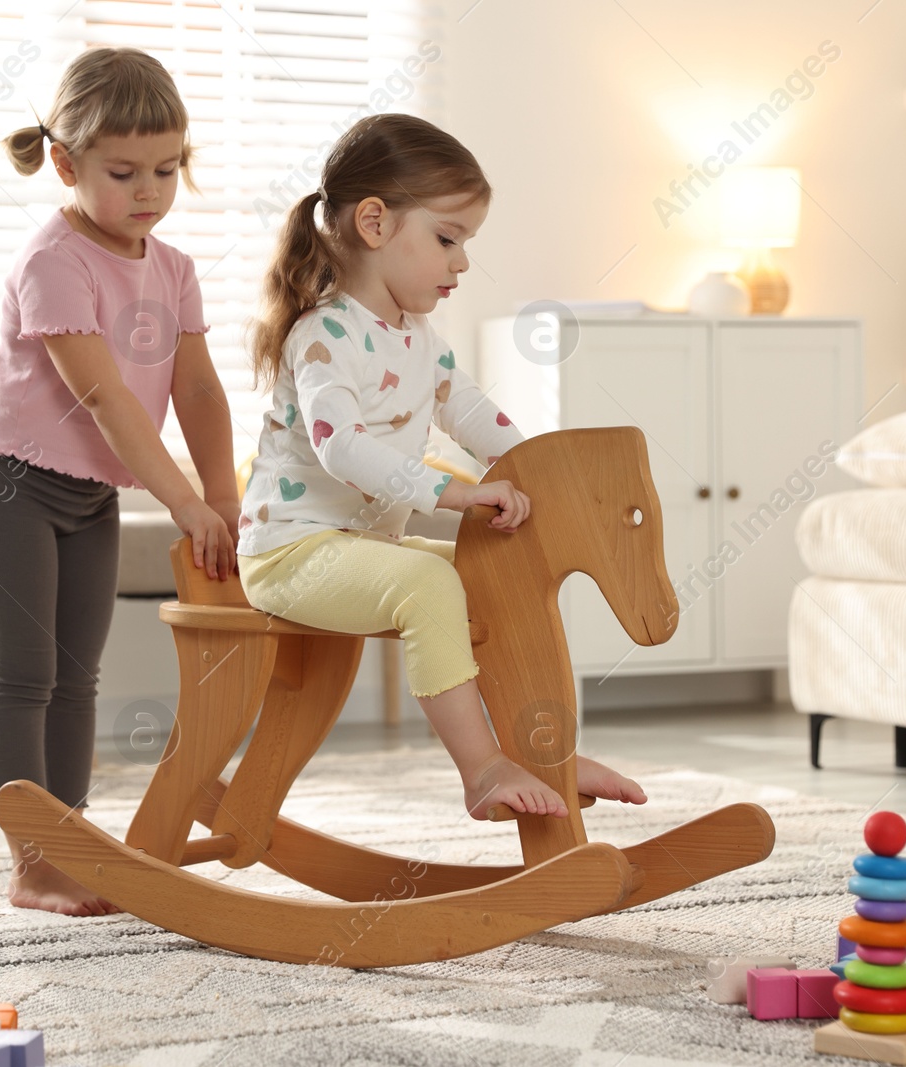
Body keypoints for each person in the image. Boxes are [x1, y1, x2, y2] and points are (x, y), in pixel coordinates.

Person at [237, 114, 647, 820]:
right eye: (448, 240)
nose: (461, 263)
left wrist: (537, 469)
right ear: (374, 223)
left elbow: (470, 409)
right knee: (430, 580)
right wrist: (453, 493)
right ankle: (482, 767)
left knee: (502, 571)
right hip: (290, 553)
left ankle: (544, 744)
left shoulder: (417, 336)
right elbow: (343, 446)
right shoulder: (324, 335)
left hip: (365, 549)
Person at [0, 47, 238, 917]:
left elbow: (195, 386)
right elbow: (107, 398)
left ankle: (72, 839)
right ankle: (33, 860)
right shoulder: (54, 261)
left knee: (80, 675)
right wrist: (183, 501)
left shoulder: (175, 267)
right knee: (26, 674)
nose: (149, 190)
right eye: (124, 172)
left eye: (167, 168)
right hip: (12, 484)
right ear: (68, 164)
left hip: (90, 493)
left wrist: (222, 495)